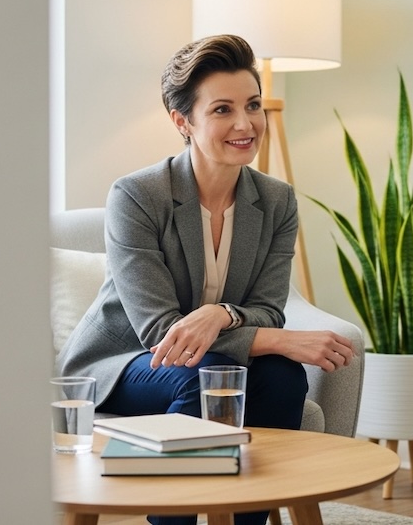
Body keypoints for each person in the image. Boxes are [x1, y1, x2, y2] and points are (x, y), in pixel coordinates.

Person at [58, 34, 356, 525]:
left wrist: (221, 314)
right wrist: (280, 340)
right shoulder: (137, 196)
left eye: (253, 105)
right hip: (123, 362)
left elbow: (267, 309)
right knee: (207, 376)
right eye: (222, 110)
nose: (245, 124)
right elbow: (161, 332)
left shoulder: (277, 201)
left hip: (209, 355)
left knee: (282, 378)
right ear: (183, 121)